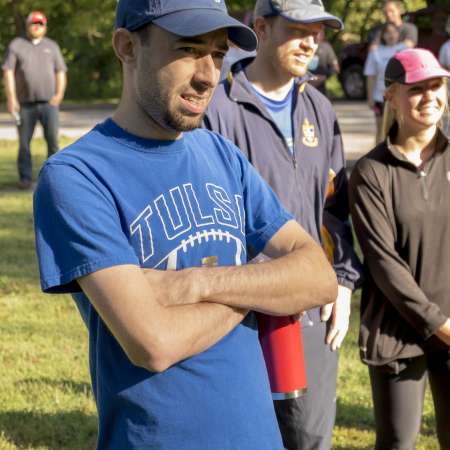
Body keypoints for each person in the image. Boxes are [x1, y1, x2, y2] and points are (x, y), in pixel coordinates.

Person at [33, 1, 338, 449]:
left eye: (217, 54)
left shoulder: (221, 154)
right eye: (188, 49)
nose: (208, 75)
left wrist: (194, 284)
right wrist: (261, 292)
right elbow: (153, 343)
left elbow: (319, 276)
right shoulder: (76, 176)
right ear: (126, 46)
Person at [204, 1, 362, 449]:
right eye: (297, 29)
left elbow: (334, 210)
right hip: (238, 317)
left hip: (310, 311)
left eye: (319, 31)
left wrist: (345, 283)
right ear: (260, 28)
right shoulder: (219, 107)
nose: (311, 41)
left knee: (309, 437)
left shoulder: (320, 108)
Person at [349, 48, 450, 450]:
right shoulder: (372, 172)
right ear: (390, 96)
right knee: (398, 443)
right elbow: (383, 262)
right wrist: (439, 324)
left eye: (436, 86)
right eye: (416, 89)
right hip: (397, 331)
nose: (430, 97)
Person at [2, 11, 67, 190]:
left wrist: (59, 94)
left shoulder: (52, 46)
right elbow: (8, 72)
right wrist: (11, 98)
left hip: (49, 104)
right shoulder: (16, 45)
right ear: (27, 25)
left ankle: (54, 178)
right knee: (24, 143)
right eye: (33, 23)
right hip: (24, 105)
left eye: (40, 24)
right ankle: (25, 179)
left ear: (45, 27)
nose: (37, 26)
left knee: (53, 141)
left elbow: (60, 71)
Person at [364, 22, 406, 144]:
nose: (391, 35)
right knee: (381, 129)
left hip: (400, 97)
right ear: (383, 36)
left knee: (398, 129)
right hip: (380, 97)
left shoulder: (404, 50)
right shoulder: (375, 51)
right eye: (387, 33)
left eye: (393, 32)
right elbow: (371, 75)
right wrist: (370, 97)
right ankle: (377, 159)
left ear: (398, 34)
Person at [308, 30, 340, 97]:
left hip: (321, 86)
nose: (316, 35)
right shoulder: (305, 45)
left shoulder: (326, 47)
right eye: (314, 32)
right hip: (304, 84)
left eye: (319, 33)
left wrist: (324, 77)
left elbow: (335, 67)